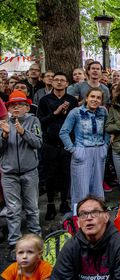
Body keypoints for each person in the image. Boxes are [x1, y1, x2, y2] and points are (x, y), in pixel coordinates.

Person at [51, 195, 120, 279]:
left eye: (95, 212)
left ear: (106, 217)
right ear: (78, 222)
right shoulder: (71, 247)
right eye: (83, 214)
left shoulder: (119, 246)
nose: (89, 218)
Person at [0, 90, 42, 261]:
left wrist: (23, 132)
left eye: (20, 104)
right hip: (9, 174)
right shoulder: (3, 123)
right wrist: (4, 136)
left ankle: (36, 240)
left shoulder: (33, 121)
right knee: (13, 210)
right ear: (8, 108)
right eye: (12, 105)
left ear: (27, 107)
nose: (16, 107)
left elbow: (38, 142)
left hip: (30, 171)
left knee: (32, 208)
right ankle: (14, 244)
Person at [60, 88, 109, 214]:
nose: (95, 100)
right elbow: (64, 132)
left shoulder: (103, 112)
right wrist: (73, 149)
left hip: (99, 152)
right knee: (81, 190)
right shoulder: (76, 112)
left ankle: (97, 218)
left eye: (98, 98)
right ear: (86, 98)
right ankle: (78, 220)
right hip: (82, 151)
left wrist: (105, 146)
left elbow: (107, 130)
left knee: (98, 188)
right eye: (92, 96)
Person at [37, 71, 78, 220]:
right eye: (56, 80)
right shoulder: (45, 100)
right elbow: (40, 122)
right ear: (52, 82)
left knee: (66, 174)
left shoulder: (72, 100)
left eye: (62, 80)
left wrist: (66, 113)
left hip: (67, 144)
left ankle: (64, 202)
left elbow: (76, 123)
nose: (59, 82)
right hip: (50, 143)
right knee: (50, 176)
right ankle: (50, 204)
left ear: (67, 84)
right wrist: (56, 112)